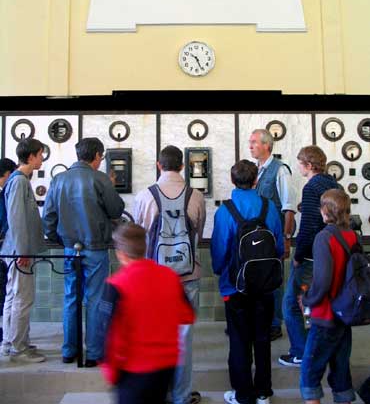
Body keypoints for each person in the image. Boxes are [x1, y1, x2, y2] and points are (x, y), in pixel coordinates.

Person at [43, 137, 124, 367]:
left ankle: (69, 351)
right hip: (96, 248)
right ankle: (94, 354)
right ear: (97, 155)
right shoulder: (100, 179)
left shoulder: (58, 180)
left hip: (71, 249)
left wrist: (61, 239)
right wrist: (111, 185)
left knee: (71, 297)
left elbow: (48, 218)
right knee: (96, 299)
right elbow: (116, 209)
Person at [134, 145, 206, 404]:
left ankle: (157, 393)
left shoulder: (144, 196)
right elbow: (197, 231)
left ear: (158, 165)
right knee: (183, 340)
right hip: (187, 275)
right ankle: (182, 395)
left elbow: (138, 235)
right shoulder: (195, 196)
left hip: (153, 278)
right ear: (183, 166)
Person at [96, 222, 195, 404]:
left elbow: (107, 332)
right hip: (166, 366)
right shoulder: (170, 276)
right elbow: (188, 315)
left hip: (132, 370)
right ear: (145, 246)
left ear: (120, 253)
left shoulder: (116, 284)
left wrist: (110, 371)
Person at [211, 159, 283, 404]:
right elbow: (280, 246)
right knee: (262, 339)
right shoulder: (269, 207)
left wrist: (221, 272)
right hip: (266, 286)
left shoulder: (225, 211)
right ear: (255, 181)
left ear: (232, 181)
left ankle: (242, 394)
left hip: (235, 287)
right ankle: (263, 392)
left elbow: (219, 252)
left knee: (239, 341)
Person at [279, 145, 338, 367]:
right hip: (330, 253)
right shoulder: (334, 184)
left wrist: (299, 255)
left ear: (309, 165)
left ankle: (300, 353)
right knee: (323, 304)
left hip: (311, 257)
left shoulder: (312, 186)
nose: (298, 167)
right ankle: (323, 351)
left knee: (290, 304)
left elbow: (309, 225)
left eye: (300, 163)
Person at [300, 189, 357, 404]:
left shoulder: (324, 237)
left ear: (326, 210)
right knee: (341, 370)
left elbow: (322, 280)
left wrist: (307, 299)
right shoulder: (352, 235)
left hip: (326, 314)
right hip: (345, 313)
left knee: (310, 372)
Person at [1, 140, 46, 363]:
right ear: (31, 156)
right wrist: (23, 251)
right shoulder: (19, 182)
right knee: (22, 298)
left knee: (13, 296)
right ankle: (19, 349)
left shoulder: (18, 180)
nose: (42, 159)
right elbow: (16, 219)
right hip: (19, 252)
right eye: (40, 155)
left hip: (16, 250)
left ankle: (10, 343)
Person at [249, 129, 296, 341]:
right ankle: (262, 321)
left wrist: (286, 239)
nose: (250, 146)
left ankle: (275, 324)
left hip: (274, 236)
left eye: (254, 143)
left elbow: (288, 208)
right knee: (260, 278)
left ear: (266, 145)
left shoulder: (280, 170)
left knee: (274, 279)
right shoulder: (256, 170)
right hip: (257, 236)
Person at [0, 158, 17, 344]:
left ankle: (7, 337)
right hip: (7, 249)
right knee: (9, 293)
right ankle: (9, 339)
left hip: (6, 248)